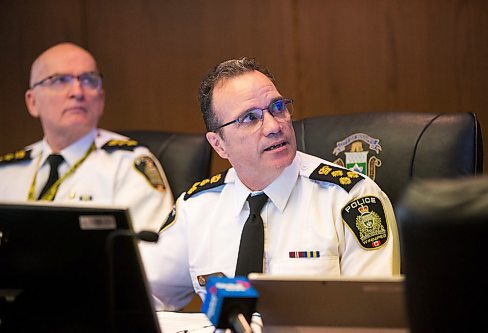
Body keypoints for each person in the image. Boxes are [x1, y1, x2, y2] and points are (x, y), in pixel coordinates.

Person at [141, 57, 400, 310]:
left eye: (277, 107)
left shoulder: (350, 199)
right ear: (218, 144)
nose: (274, 126)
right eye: (250, 118)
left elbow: (373, 315)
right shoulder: (197, 208)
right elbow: (143, 295)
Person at [0, 42, 173, 231]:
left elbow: (148, 252)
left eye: (89, 80)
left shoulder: (127, 166)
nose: (77, 92)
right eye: (59, 80)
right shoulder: (7, 173)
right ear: (32, 102)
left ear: (101, 100)